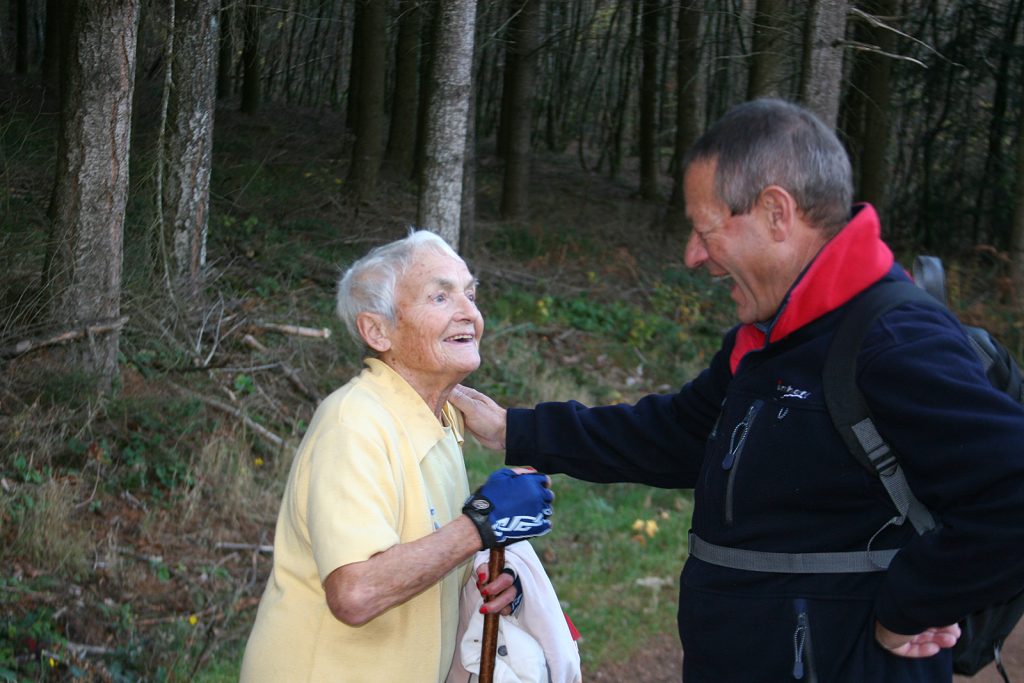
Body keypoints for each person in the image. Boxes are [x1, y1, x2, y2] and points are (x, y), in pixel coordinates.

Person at [451, 99, 1024, 682]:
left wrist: (914, 603)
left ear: (777, 213)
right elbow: (677, 435)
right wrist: (516, 430)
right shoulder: (772, 336)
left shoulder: (893, 340)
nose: (693, 255)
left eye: (706, 230)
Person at [240, 230, 554, 682]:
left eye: (470, 294)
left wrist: (490, 585)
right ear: (377, 330)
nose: (469, 313)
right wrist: (481, 525)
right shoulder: (354, 423)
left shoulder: (442, 421)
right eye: (440, 297)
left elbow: (426, 561)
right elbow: (356, 592)